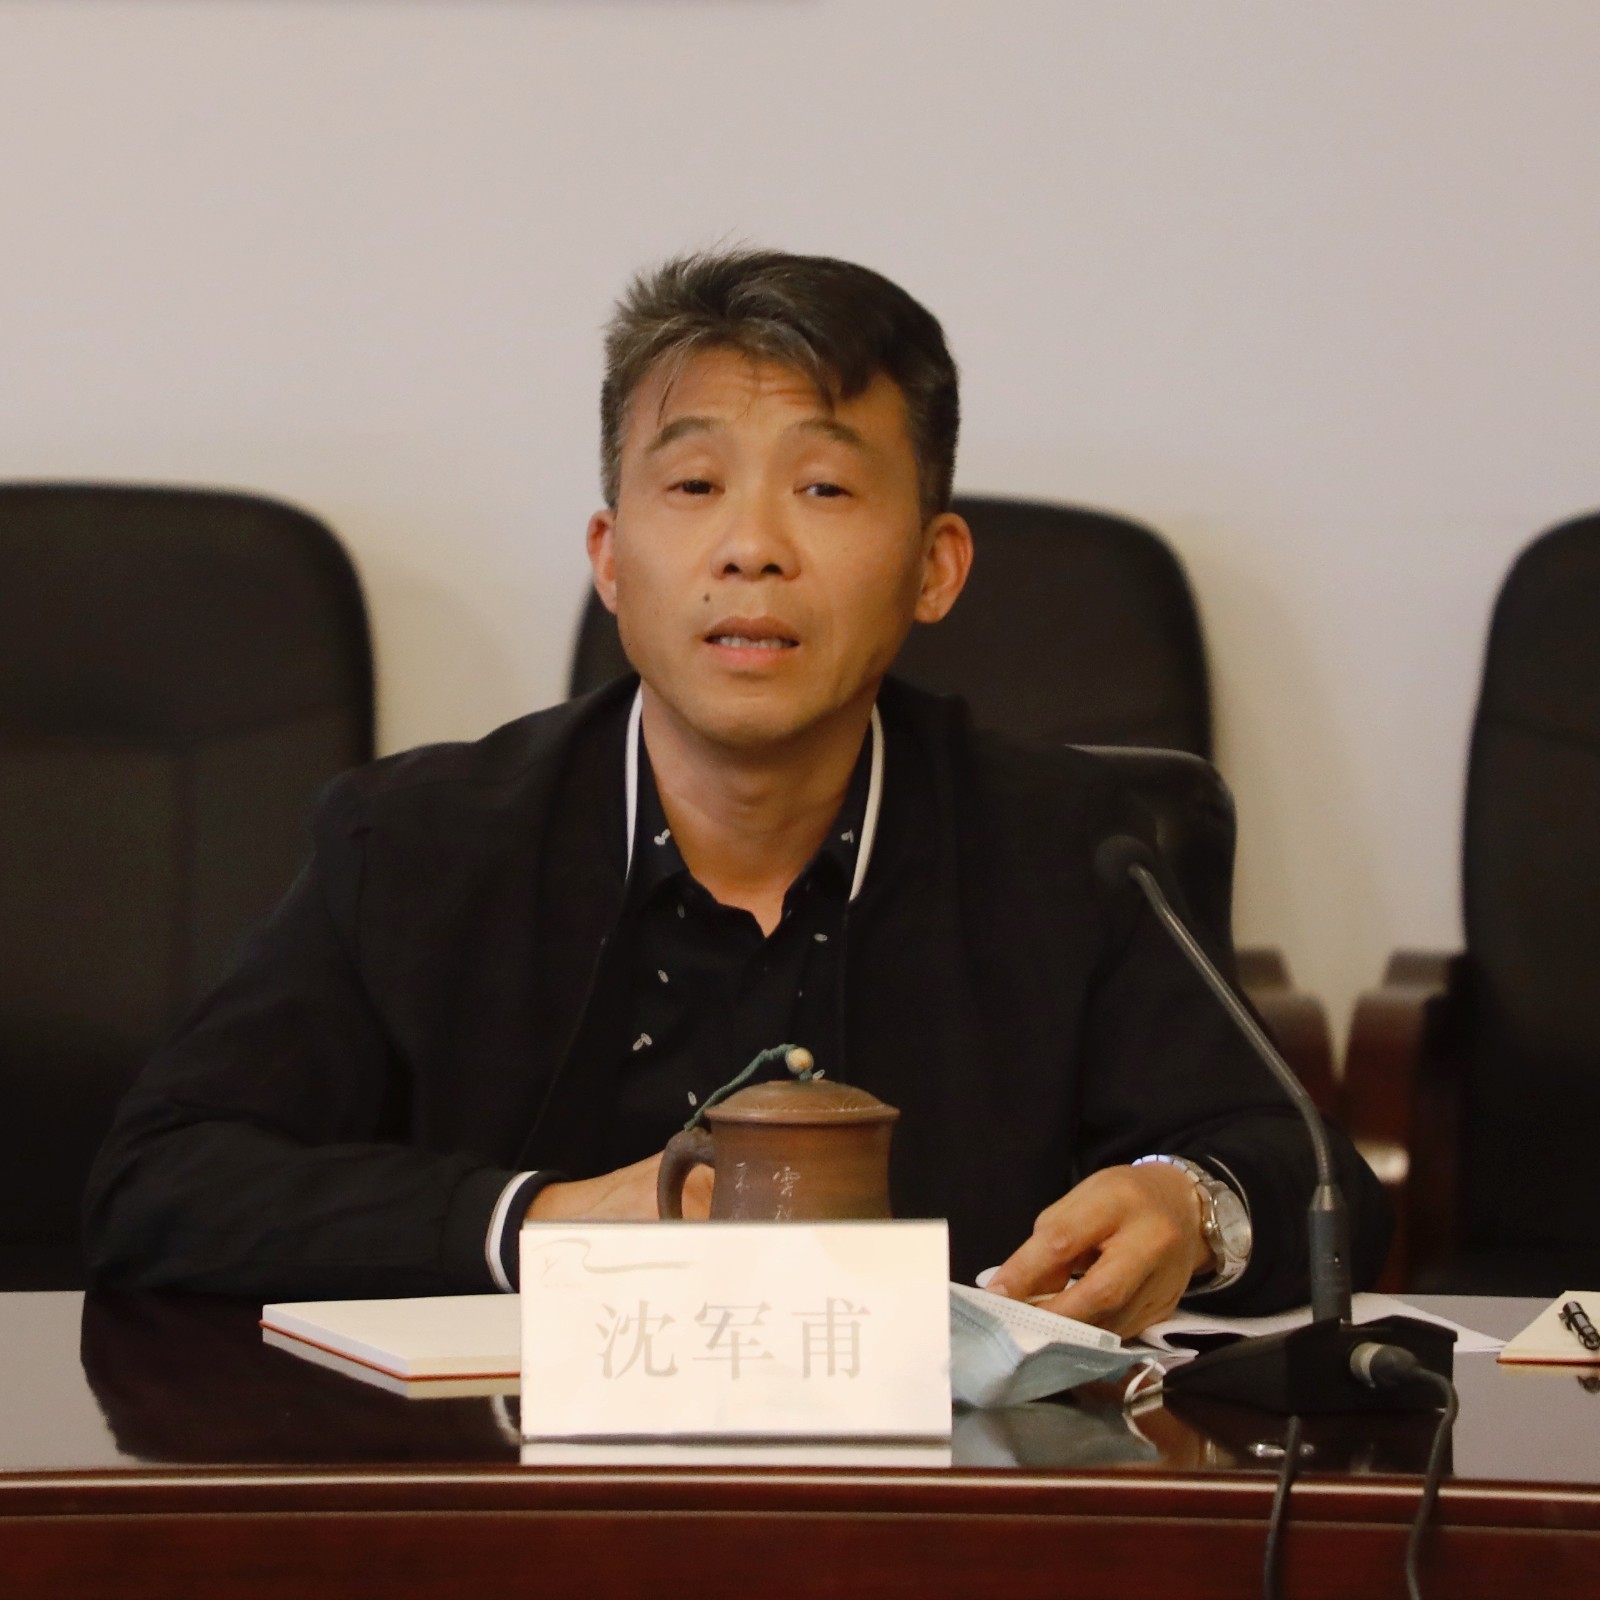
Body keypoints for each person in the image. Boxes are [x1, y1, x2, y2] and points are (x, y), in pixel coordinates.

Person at [83, 249, 1388, 1333]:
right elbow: (163, 1183)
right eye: (695, 485)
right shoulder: (417, 843)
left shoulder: (1074, 850)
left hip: (948, 1509)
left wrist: (1186, 1206)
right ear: (611, 557)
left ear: (935, 567)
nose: (752, 547)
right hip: (516, 1498)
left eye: (824, 488)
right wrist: (545, 1221)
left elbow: (1312, 1176)